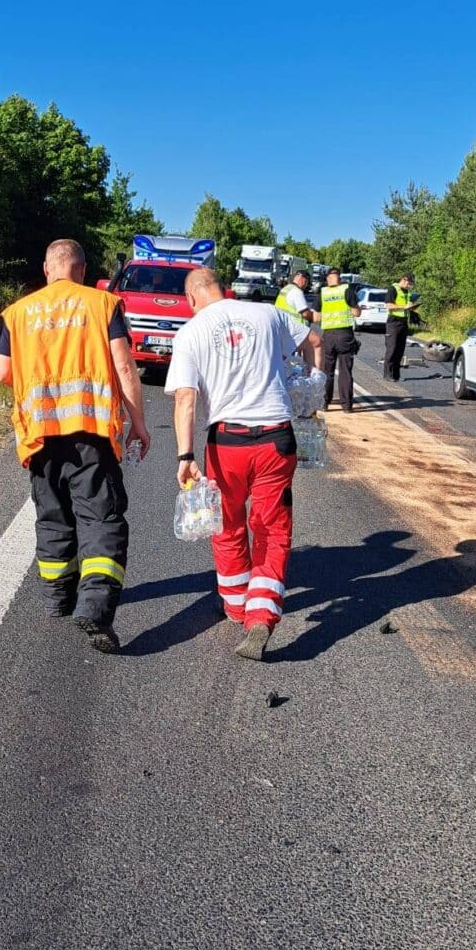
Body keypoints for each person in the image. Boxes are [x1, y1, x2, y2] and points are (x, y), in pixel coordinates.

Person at [0, 238, 150, 654]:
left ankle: (58, 599)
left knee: (53, 516)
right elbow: (123, 365)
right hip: (89, 431)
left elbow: (1, 371)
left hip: (40, 435)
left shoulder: (19, 312)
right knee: (100, 518)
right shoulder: (102, 304)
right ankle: (94, 606)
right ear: (82, 270)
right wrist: (138, 424)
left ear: (47, 270)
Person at [165, 268, 323, 661]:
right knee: (271, 528)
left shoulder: (191, 332)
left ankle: (236, 606)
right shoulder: (267, 313)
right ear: (224, 289)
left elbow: (185, 398)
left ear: (191, 299)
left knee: (227, 524)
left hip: (227, 443)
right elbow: (314, 341)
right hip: (275, 439)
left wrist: (185, 456)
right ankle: (261, 616)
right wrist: (311, 384)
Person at [319, 266, 361, 411]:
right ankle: (347, 405)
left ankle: (324, 402)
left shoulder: (323, 293)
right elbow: (356, 313)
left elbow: (316, 315)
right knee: (345, 371)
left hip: (328, 335)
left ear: (327, 279)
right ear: (340, 278)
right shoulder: (347, 290)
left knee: (327, 370)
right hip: (344, 335)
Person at [383, 271, 421, 382]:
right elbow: (389, 305)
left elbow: (407, 306)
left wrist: (412, 308)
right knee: (392, 348)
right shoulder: (393, 289)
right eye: (409, 283)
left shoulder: (407, 292)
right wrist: (404, 307)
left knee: (400, 350)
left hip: (404, 322)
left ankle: (395, 375)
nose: (410, 286)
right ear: (404, 279)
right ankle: (388, 374)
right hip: (393, 322)